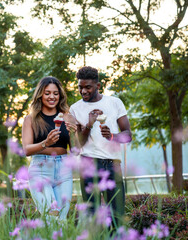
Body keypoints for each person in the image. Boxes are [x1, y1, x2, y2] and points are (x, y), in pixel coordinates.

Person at [69, 66, 132, 228]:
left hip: (112, 165)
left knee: (117, 216)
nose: (83, 91)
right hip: (88, 164)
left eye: (87, 87)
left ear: (98, 86)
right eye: (80, 87)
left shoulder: (114, 103)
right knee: (92, 217)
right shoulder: (75, 109)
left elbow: (128, 135)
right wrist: (89, 125)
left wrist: (111, 136)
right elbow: (79, 145)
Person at [22, 76, 77, 220]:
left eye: (56, 93)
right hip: (40, 169)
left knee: (62, 218)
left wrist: (75, 133)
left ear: (60, 95)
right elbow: (26, 150)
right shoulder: (30, 119)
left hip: (64, 168)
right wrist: (45, 143)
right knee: (51, 217)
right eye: (47, 93)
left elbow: (75, 150)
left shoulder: (68, 117)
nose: (52, 97)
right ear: (40, 95)